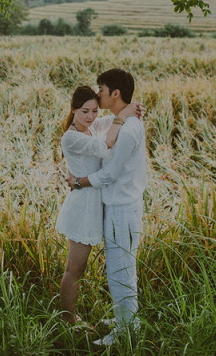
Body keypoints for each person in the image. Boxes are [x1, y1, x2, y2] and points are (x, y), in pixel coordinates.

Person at [67, 68, 147, 347]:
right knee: (122, 268)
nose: (98, 94)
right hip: (120, 205)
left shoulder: (128, 128)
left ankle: (126, 330)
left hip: (121, 208)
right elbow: (100, 129)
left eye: (101, 90)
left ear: (115, 93)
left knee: (119, 270)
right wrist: (121, 116)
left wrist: (80, 181)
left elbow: (111, 173)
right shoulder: (125, 121)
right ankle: (127, 319)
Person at [55, 86, 138, 328]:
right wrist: (122, 117)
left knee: (80, 268)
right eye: (84, 111)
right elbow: (106, 145)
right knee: (75, 269)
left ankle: (72, 316)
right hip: (82, 208)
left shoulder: (89, 128)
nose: (90, 116)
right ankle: (67, 320)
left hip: (92, 204)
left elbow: (106, 123)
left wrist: (126, 111)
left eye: (93, 110)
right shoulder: (71, 137)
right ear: (73, 110)